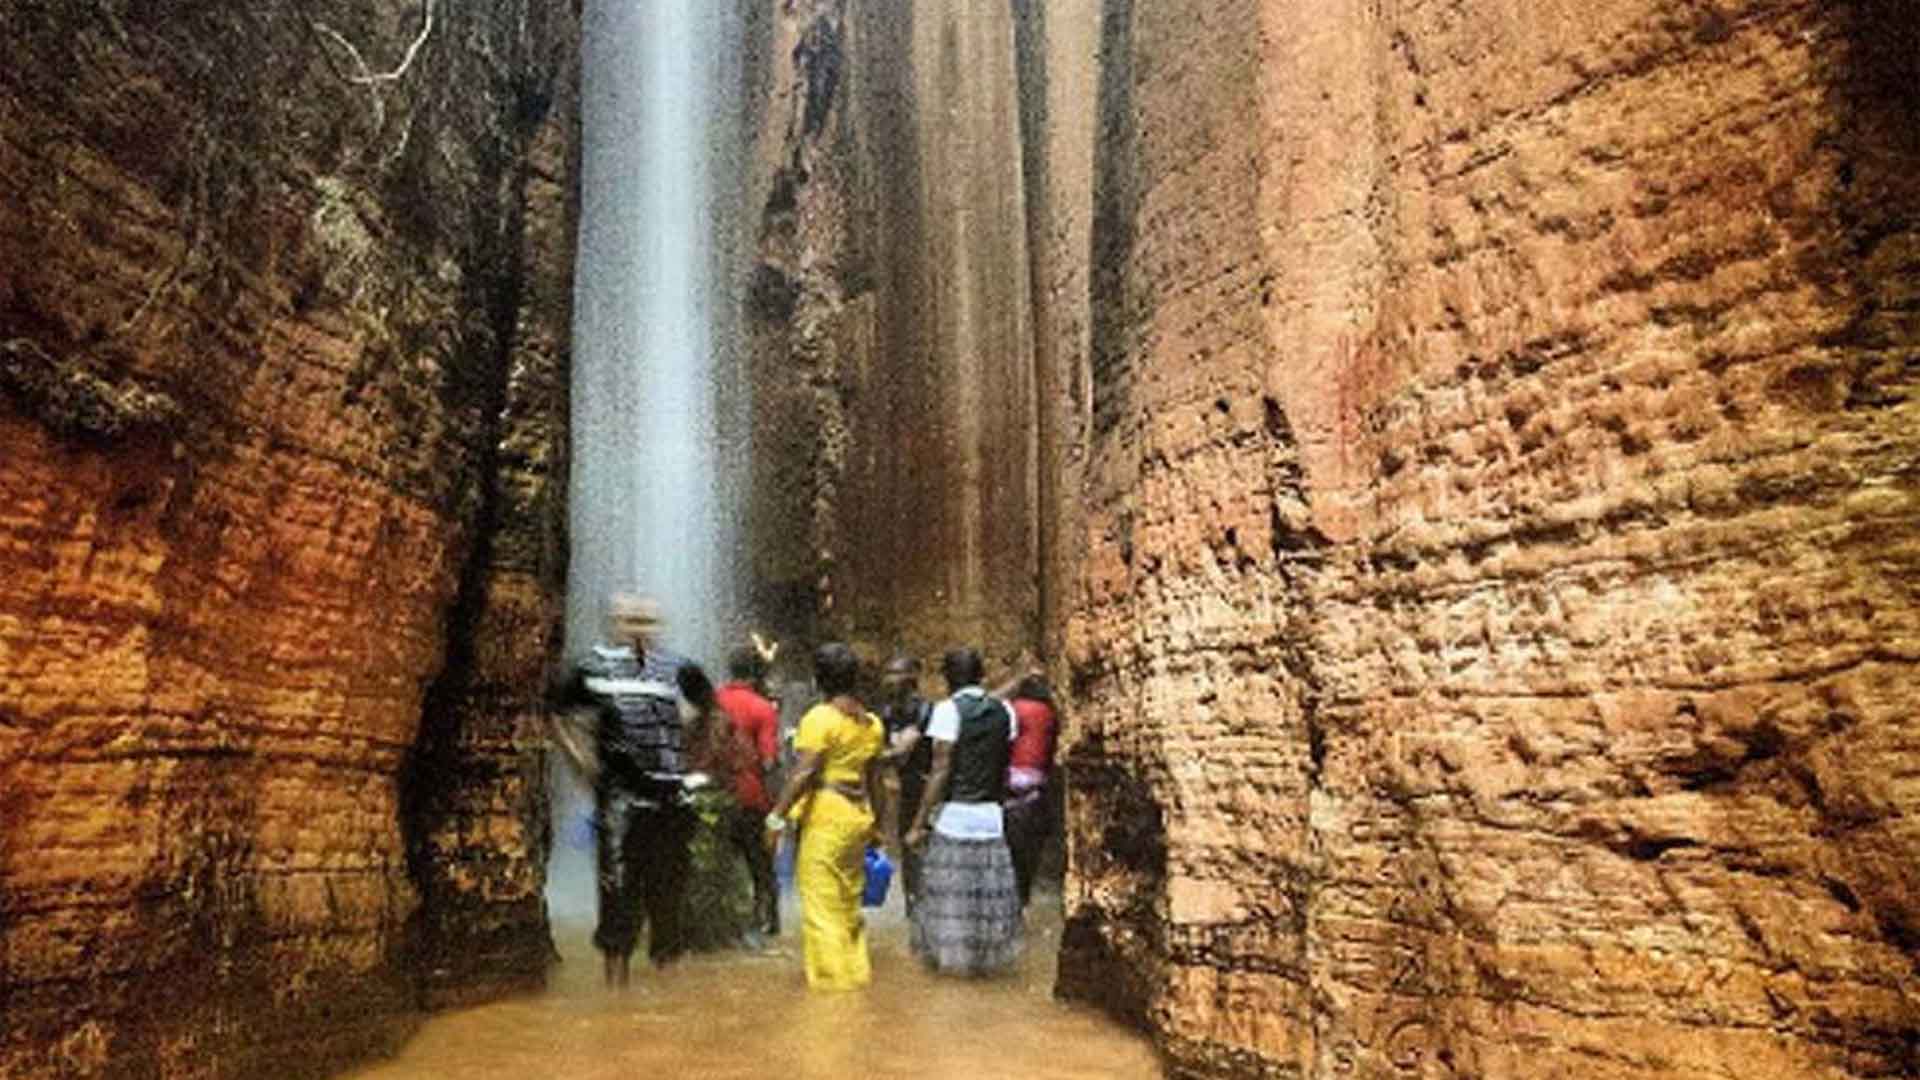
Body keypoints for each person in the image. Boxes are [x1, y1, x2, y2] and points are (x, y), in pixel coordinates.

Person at [550, 594, 707, 988]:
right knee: (617, 894)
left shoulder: (677, 668)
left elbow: (709, 707)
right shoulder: (590, 668)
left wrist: (687, 754)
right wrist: (581, 761)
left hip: (670, 800)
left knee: (668, 898)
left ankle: (666, 996)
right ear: (614, 623)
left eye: (647, 621)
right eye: (630, 620)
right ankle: (617, 1002)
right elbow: (556, 712)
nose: (639, 629)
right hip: (620, 801)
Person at [764, 642, 885, 991]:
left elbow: (803, 774)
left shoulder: (820, 719)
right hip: (857, 815)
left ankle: (834, 993)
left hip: (827, 818)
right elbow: (874, 779)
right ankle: (857, 976)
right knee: (848, 905)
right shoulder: (871, 724)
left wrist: (776, 818)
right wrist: (876, 825)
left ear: (819, 679)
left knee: (821, 908)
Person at [905, 647, 1021, 975]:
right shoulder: (1006, 712)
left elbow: (941, 770)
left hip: (955, 819)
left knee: (951, 901)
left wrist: (919, 823)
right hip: (992, 820)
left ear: (947, 679)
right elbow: (1001, 762)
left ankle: (953, 973)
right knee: (987, 901)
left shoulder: (947, 710)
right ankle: (985, 970)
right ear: (981, 675)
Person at [714, 644, 781, 943]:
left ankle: (723, 928)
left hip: (714, 796)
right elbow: (769, 761)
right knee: (761, 866)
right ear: (756, 673)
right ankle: (767, 924)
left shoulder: (712, 702)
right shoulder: (762, 708)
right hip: (752, 797)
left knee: (720, 864)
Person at [876, 654, 934, 914]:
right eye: (887, 673)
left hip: (927, 788)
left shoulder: (925, 711)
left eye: (895, 673)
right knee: (907, 852)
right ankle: (913, 911)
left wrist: (860, 754)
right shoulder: (888, 712)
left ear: (912, 676)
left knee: (923, 850)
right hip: (906, 789)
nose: (889, 680)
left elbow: (899, 752)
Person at [1002, 673, 1059, 908]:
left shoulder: (1016, 709)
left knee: (1010, 862)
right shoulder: (1050, 715)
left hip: (1012, 792)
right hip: (1039, 794)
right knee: (1028, 861)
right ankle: (1024, 905)